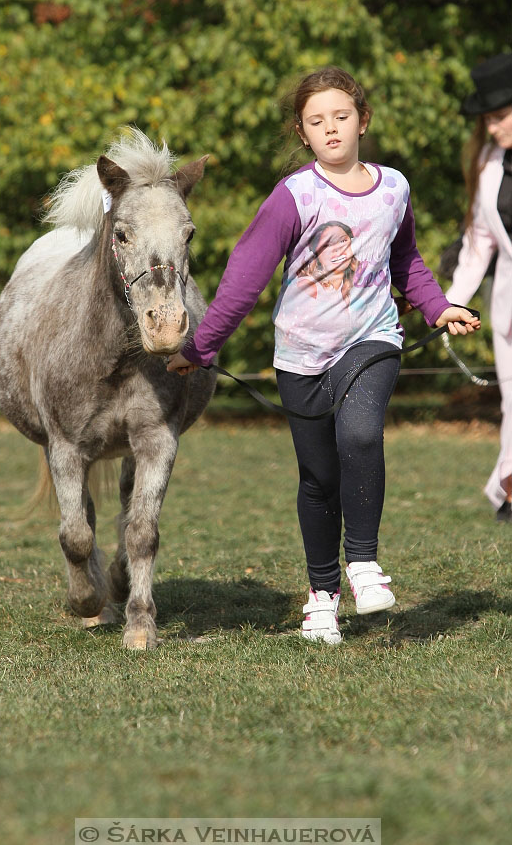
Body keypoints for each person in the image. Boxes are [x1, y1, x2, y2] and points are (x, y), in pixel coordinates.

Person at [168, 66, 480, 643]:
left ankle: (363, 563)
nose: (332, 128)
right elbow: (245, 279)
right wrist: (200, 347)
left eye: (341, 116)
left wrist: (438, 308)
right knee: (318, 477)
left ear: (363, 120)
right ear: (302, 132)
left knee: (360, 435)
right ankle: (321, 597)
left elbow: (406, 260)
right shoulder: (294, 195)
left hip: (372, 338)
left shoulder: (395, 188)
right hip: (301, 351)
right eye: (317, 121)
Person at [444, 52, 512, 522]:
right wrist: (447, 306)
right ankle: (510, 492)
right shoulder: (490, 164)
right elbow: (478, 246)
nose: (491, 128)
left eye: (500, 116)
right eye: (487, 119)